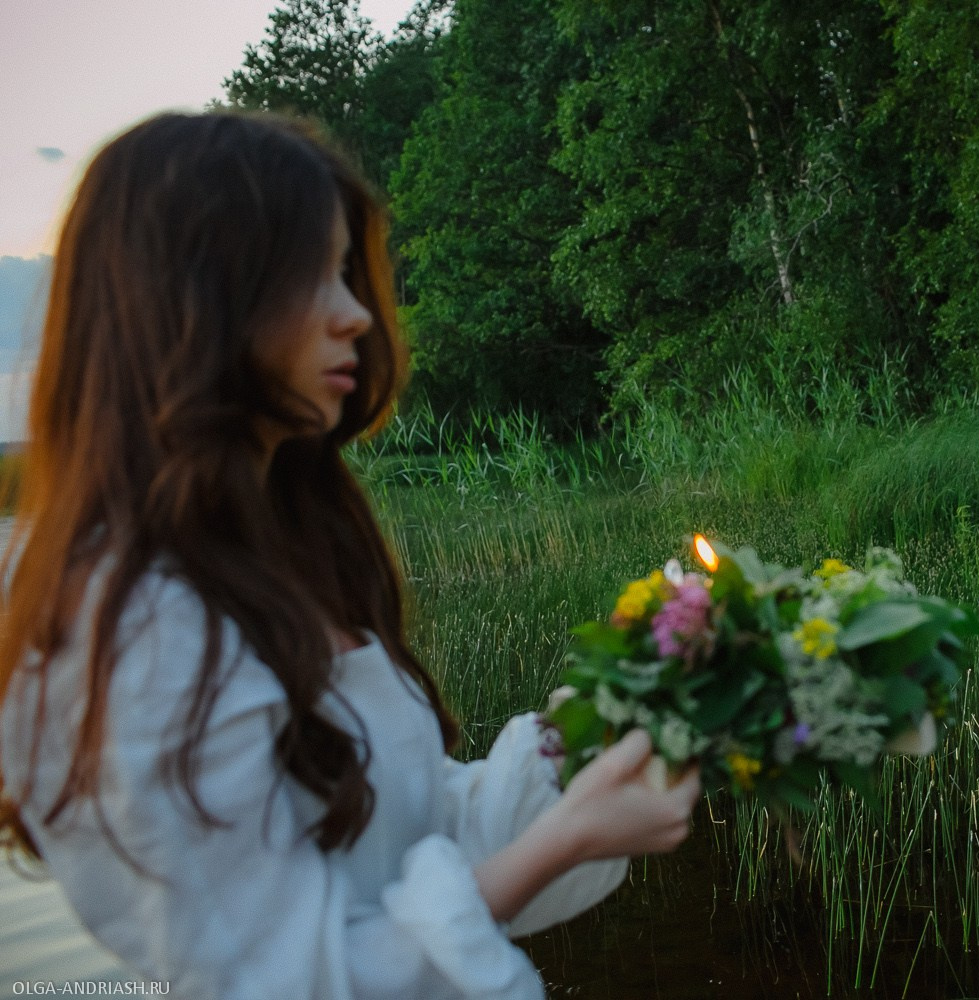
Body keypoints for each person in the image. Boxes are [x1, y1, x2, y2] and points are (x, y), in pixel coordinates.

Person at [0, 111, 701, 1000]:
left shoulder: (284, 552)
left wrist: (611, 706)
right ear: (198, 300)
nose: (358, 315)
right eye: (315, 276)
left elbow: (414, 834)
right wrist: (568, 840)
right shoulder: (136, 623)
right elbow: (285, 980)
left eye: (346, 273)